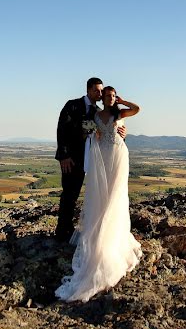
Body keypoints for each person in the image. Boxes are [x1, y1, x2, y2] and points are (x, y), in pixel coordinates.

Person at [55, 86, 142, 302]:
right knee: (99, 197)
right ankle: (92, 234)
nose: (109, 97)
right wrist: (91, 132)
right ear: (100, 97)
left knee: (115, 196)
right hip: (100, 158)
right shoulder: (92, 114)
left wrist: (123, 102)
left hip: (117, 157)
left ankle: (112, 235)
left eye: (112, 95)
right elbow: (82, 132)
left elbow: (137, 109)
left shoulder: (118, 112)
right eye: (106, 95)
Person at [54, 77, 125, 242]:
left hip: (90, 160)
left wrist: (122, 132)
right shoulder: (73, 105)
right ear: (88, 90)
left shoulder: (98, 112)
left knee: (79, 193)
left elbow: (100, 133)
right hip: (70, 158)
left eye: (101, 91)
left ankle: (69, 229)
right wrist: (64, 156)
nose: (100, 94)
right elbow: (61, 129)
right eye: (96, 90)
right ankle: (62, 231)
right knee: (69, 193)